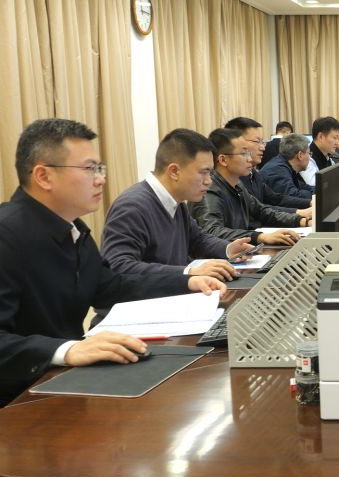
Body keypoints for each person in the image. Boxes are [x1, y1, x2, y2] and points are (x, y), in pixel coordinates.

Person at [0, 119, 226, 406]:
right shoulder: (7, 234)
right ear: (44, 176)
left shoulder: (73, 229)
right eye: (89, 169)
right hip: (17, 400)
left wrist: (187, 281)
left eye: (100, 168)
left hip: (60, 383)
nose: (100, 179)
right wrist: (67, 350)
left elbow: (110, 286)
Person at [102, 128, 254, 282]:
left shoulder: (175, 201)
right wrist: (188, 272)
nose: (209, 180)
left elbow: (198, 239)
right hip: (150, 296)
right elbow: (118, 266)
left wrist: (228, 249)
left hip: (172, 291)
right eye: (203, 172)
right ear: (174, 171)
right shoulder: (132, 207)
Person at [191, 128, 307, 246]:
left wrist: (301, 221)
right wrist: (260, 237)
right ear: (223, 160)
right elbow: (213, 231)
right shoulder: (208, 190)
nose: (250, 159)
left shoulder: (237, 185)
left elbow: (262, 211)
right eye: (244, 154)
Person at [224, 117, 311, 217]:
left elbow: (275, 199)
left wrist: (309, 203)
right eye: (257, 141)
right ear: (236, 142)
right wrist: (299, 214)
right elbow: (258, 211)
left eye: (262, 142)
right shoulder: (234, 179)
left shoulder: (253, 173)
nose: (263, 147)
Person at [260, 133, 315, 200]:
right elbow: (293, 196)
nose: (309, 157)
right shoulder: (277, 170)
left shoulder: (284, 166)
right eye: (309, 153)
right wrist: (317, 194)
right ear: (300, 155)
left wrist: (319, 190)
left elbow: (302, 187)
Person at [302, 116, 339, 187]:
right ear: (321, 136)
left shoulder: (327, 156)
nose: (337, 143)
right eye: (335, 138)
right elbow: (314, 183)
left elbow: (338, 176)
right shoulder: (307, 157)